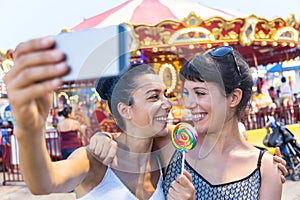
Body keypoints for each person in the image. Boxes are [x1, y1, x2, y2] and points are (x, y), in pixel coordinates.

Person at [4, 36, 194, 199]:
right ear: (125, 110)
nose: (168, 104)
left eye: (165, 95)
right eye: (154, 96)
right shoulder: (95, 159)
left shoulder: (164, 153)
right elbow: (43, 182)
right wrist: (29, 129)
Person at [92, 46, 286, 199]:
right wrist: (103, 137)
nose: (190, 104)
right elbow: (133, 133)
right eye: (187, 93)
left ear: (234, 97)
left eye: (200, 93)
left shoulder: (265, 168)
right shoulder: (174, 143)